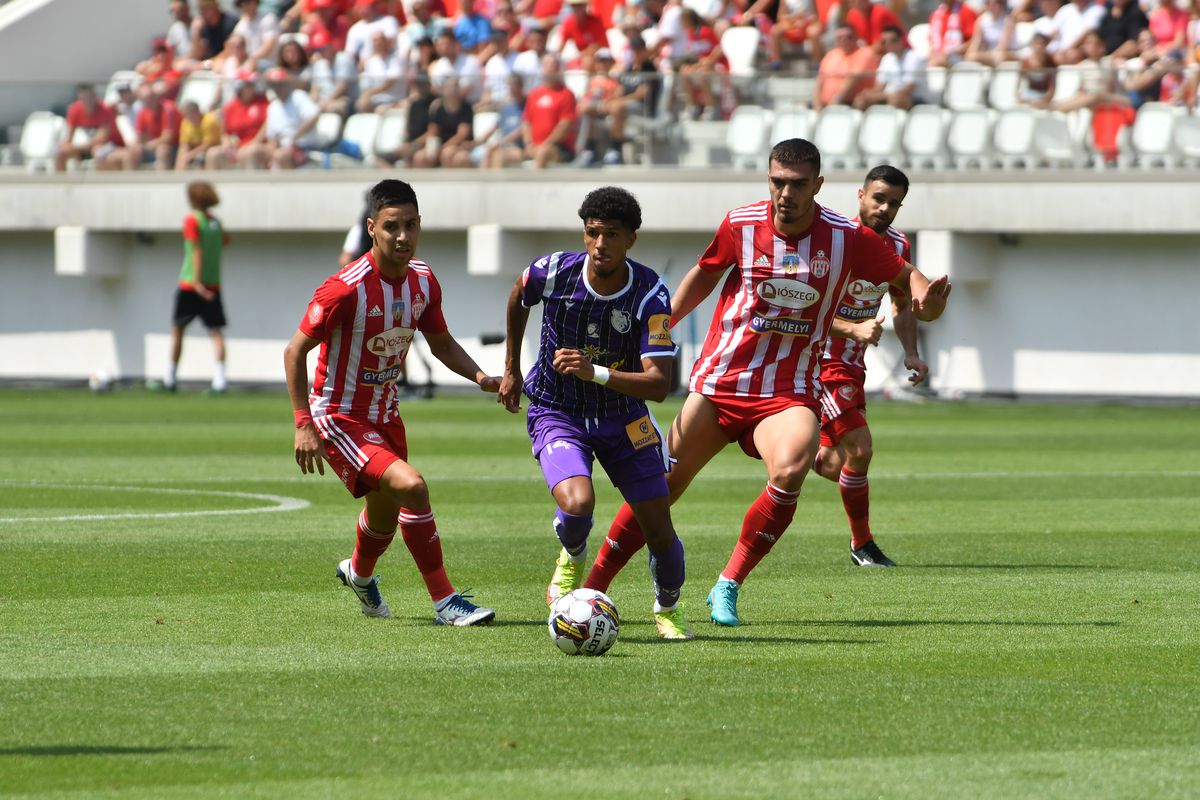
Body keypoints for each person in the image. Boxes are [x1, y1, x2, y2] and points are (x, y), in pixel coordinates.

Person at [582, 139, 951, 626]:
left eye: (798, 184)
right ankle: (591, 589)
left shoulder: (849, 239)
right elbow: (704, 274)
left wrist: (932, 303)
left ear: (818, 186)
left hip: (786, 391)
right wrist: (661, 326)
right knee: (658, 488)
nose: (786, 193)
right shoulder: (741, 223)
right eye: (778, 181)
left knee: (792, 468)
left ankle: (727, 584)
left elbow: (913, 283)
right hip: (719, 383)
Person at [284, 179, 501, 625]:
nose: (403, 236)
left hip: (385, 414)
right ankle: (445, 601)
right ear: (371, 228)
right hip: (340, 416)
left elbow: (440, 342)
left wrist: (481, 376)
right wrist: (303, 422)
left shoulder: (422, 280)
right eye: (391, 227)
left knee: (382, 516)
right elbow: (294, 351)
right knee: (412, 486)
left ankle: (358, 574)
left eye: (411, 225)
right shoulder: (345, 289)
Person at [497, 186, 693, 640]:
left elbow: (659, 386)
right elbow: (516, 295)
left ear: (631, 240)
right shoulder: (552, 273)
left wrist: (595, 372)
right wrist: (510, 369)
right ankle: (573, 551)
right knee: (579, 503)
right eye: (592, 233)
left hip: (625, 417)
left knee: (659, 531)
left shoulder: (649, 294)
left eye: (611, 235)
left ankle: (667, 610)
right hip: (556, 408)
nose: (600, 244)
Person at [812, 165, 926, 568]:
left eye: (894, 203)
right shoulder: (832, 239)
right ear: (860, 195)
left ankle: (771, 440)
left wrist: (910, 351)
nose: (885, 208)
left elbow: (901, 303)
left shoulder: (898, 245)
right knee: (861, 448)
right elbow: (805, 304)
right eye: (878, 198)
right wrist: (851, 327)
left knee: (833, 463)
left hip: (851, 367)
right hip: (819, 359)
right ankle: (862, 545)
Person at [164, 181, 231, 393]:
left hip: (191, 284)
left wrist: (197, 282)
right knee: (216, 331)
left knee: (177, 328)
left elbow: (196, 251)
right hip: (214, 284)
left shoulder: (192, 220)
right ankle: (220, 380)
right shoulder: (216, 222)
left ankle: (170, 378)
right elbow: (225, 242)